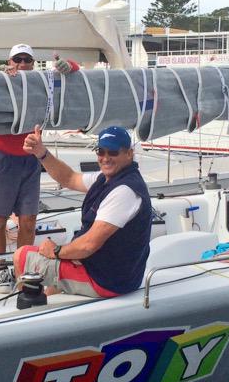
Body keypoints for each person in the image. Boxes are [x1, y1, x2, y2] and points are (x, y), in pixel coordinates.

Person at [15, 125, 151, 298]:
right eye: (101, 152)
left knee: (21, 255)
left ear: (129, 154)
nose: (105, 158)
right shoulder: (107, 179)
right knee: (51, 287)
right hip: (110, 271)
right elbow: (69, 178)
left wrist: (56, 251)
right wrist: (42, 153)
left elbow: (88, 245)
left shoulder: (125, 191)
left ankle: (27, 315)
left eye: (113, 152)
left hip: (106, 280)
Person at [0, 44, 78, 292]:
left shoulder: (41, 82)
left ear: (33, 63)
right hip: (1, 157)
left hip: (30, 158)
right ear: (10, 60)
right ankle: (1, 270)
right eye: (18, 59)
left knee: (28, 221)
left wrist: (68, 65)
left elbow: (75, 76)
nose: (22, 64)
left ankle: (22, 269)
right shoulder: (2, 78)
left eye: (27, 60)